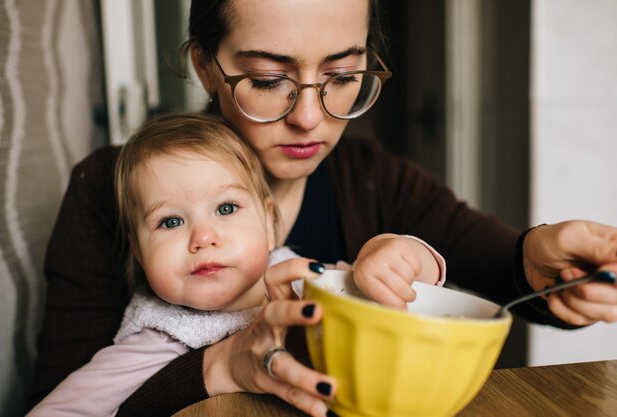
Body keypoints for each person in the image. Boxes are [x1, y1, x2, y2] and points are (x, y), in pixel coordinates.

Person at [29, 1, 617, 416]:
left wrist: (535, 263)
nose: (309, 116)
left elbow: (487, 263)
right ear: (206, 66)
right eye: (267, 78)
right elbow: (69, 399)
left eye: (341, 75)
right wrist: (223, 365)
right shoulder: (109, 188)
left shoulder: (371, 178)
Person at [27, 112, 445, 416]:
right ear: (138, 253)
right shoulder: (158, 336)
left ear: (268, 221)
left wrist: (401, 253)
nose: (203, 237)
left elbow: (397, 299)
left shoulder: (303, 279)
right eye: (171, 221)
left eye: (226, 208)